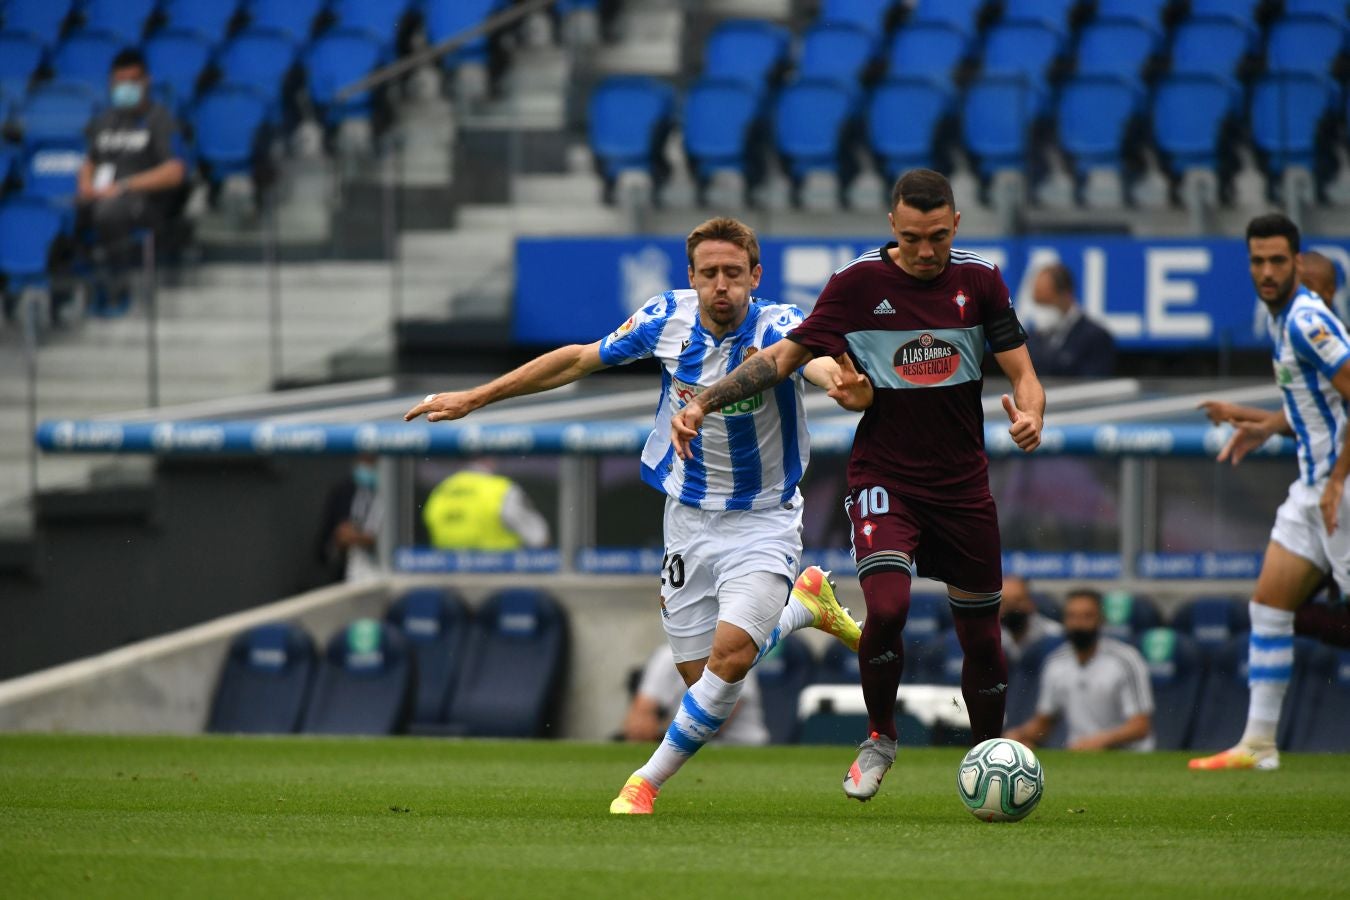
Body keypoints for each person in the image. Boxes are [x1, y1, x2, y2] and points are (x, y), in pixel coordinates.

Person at [405, 216, 872, 815]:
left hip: (763, 518)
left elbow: (817, 363)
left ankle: (642, 785)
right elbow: (578, 360)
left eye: (734, 273)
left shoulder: (780, 325)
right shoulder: (665, 319)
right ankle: (804, 607)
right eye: (710, 274)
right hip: (686, 519)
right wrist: (475, 397)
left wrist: (844, 385)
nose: (721, 285)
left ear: (756, 276)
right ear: (692, 277)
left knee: (728, 661)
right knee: (701, 677)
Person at [669, 169, 1045, 802]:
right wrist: (704, 401)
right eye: (912, 237)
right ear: (891, 228)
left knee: (981, 633)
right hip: (885, 477)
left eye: (938, 237)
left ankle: (986, 758)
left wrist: (1032, 412)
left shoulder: (979, 282)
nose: (927, 252)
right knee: (889, 609)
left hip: (962, 484)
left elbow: (1023, 372)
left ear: (956, 225)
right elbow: (782, 358)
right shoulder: (856, 284)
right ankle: (880, 738)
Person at [1188, 214, 1350, 772]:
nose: (1266, 270)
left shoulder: (1307, 320)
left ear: (1297, 262)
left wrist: (1336, 481)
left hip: (1341, 487)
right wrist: (1262, 426)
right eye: (1257, 260)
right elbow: (1317, 408)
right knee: (1270, 607)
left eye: (1278, 260)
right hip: (1313, 488)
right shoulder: (1279, 319)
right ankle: (1258, 744)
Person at [77, 47, 186, 315]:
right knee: (69, 212)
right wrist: (86, 185)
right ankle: (74, 287)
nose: (125, 87)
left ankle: (118, 285)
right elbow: (89, 161)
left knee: (110, 211)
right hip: (107, 197)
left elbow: (175, 171)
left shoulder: (160, 119)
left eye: (132, 81)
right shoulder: (105, 121)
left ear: (146, 81)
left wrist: (125, 186)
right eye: (119, 81)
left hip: (147, 203)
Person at [1004, 589, 1154, 751]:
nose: (1078, 624)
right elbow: (1044, 722)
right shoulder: (1055, 662)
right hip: (1079, 755)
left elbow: (1141, 727)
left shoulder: (1126, 660)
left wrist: (1100, 741)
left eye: (1087, 616)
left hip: (1127, 757)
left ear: (1101, 620)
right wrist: (1019, 736)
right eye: (1072, 616)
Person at [622, 643, 769, 747]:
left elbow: (711, 722)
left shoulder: (735, 657)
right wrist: (642, 725)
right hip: (679, 744)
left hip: (739, 748)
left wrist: (658, 729)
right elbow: (640, 714)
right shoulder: (666, 655)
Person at [422, 459, 550, 550]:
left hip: (447, 577)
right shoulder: (501, 489)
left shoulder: (441, 490)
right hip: (499, 576)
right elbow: (538, 538)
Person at [1023, 262, 1117, 377]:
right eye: (1038, 303)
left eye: (1047, 303)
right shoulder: (1030, 340)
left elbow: (1094, 386)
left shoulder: (1095, 338)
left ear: (1066, 295)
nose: (1041, 310)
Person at [316, 454, 384, 584]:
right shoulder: (344, 490)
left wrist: (369, 537)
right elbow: (342, 535)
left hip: (385, 570)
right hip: (351, 573)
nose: (369, 466)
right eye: (365, 460)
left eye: (372, 460)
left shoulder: (388, 491)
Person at [1000, 575, 1064, 665]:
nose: (1011, 608)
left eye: (1018, 600)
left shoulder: (1055, 634)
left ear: (1030, 603)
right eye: (1004, 602)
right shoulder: (989, 636)